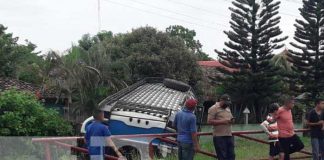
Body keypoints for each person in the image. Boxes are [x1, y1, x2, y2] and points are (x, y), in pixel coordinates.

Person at [207, 94, 235, 160]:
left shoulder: (228, 109)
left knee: (231, 155)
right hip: (219, 136)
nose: (227, 104)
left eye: (228, 103)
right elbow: (209, 121)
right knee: (222, 156)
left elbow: (230, 117)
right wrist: (223, 121)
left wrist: (232, 120)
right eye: (225, 103)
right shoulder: (213, 108)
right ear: (221, 100)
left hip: (229, 135)